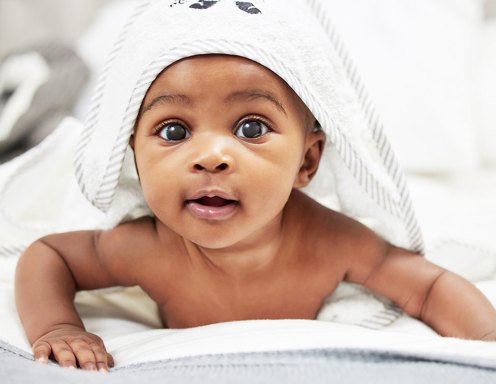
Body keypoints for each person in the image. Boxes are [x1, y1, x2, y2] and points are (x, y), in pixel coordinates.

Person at [14, 53, 496, 373]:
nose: (210, 156)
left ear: (306, 162)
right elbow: (49, 253)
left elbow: (429, 285)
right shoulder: (147, 248)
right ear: (135, 159)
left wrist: (486, 337)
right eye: (175, 131)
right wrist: (59, 327)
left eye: (250, 126)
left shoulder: (332, 243)